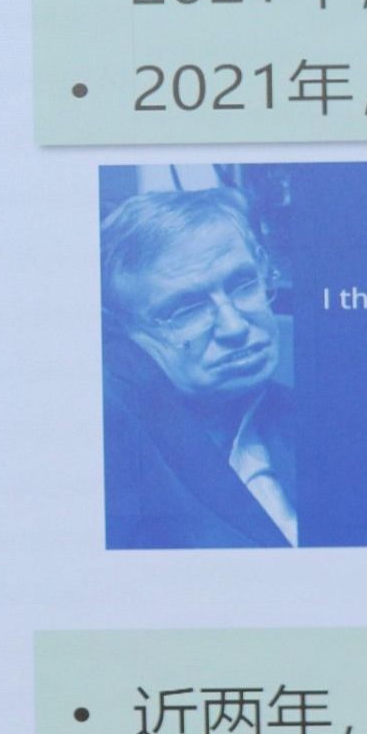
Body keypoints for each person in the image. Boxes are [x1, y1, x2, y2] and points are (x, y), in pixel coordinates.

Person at [100, 187, 296, 549]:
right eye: (186, 310)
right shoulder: (113, 462)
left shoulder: (322, 418)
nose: (234, 327)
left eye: (243, 284)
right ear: (122, 330)